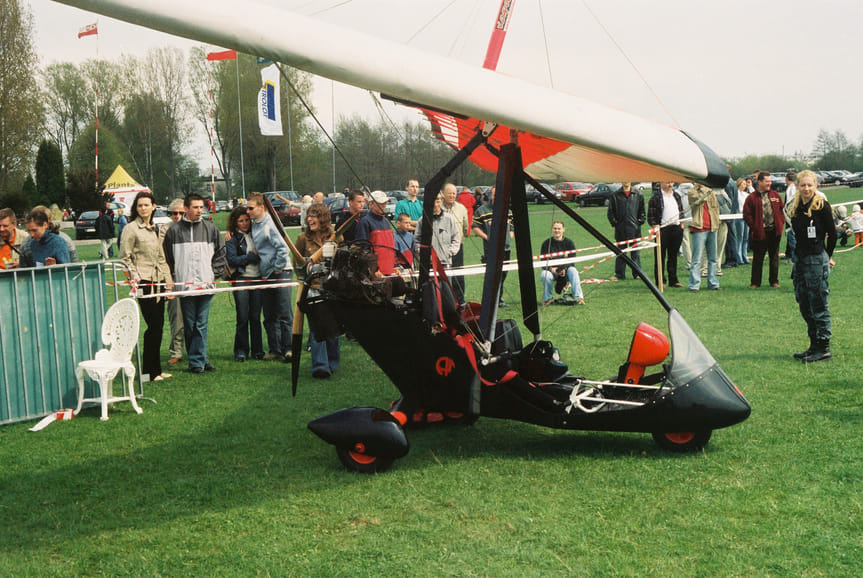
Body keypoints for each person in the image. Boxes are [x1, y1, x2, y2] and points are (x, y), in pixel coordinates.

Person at [163, 193, 226, 374]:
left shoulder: (211, 229)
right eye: (196, 207)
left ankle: (197, 361)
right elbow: (168, 258)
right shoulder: (174, 232)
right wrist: (176, 277)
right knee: (190, 325)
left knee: (201, 323)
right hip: (185, 287)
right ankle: (200, 359)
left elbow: (221, 254)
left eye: (201, 207)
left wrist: (213, 274)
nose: (200, 211)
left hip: (206, 286)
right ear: (186, 209)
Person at [120, 192, 174, 382]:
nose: (143, 208)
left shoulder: (155, 229)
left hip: (158, 280)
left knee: (158, 326)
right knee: (152, 326)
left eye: (146, 205)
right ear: (136, 208)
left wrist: (168, 283)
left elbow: (161, 258)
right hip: (144, 282)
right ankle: (147, 373)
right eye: (140, 205)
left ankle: (155, 371)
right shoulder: (131, 229)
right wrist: (135, 277)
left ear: (153, 206)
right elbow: (124, 258)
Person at [788, 170, 836, 363]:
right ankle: (813, 344)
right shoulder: (796, 207)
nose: (806, 189)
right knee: (804, 303)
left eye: (810, 185)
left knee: (818, 304)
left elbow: (833, 234)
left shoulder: (822, 206)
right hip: (800, 260)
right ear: (798, 186)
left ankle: (824, 347)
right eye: (803, 185)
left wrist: (827, 255)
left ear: (816, 186)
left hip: (816, 260)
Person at [245, 192, 294, 361]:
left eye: (251, 208)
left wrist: (278, 268)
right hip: (265, 274)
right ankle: (275, 350)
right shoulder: (254, 224)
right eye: (247, 208)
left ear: (261, 208)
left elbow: (283, 248)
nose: (248, 212)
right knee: (269, 315)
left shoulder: (270, 224)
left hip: (280, 273)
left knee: (284, 313)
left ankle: (288, 349)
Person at [293, 203, 340, 379]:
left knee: (334, 328)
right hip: (313, 289)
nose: (310, 219)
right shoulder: (302, 238)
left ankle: (333, 362)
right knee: (317, 329)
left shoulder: (335, 237)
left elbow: (342, 259)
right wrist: (306, 265)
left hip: (333, 289)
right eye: (309, 216)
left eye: (314, 215)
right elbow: (297, 267)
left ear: (324, 218)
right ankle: (320, 367)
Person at [225, 206, 264, 362]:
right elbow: (232, 259)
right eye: (240, 221)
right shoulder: (232, 238)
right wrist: (251, 257)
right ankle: (241, 350)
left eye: (246, 220)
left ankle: (257, 350)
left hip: (258, 278)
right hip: (241, 279)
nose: (244, 223)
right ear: (235, 222)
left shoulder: (257, 233)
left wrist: (254, 257)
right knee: (242, 317)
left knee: (255, 316)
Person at [472, 186, 513, 307]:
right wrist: (486, 237)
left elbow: (512, 226)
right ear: (491, 195)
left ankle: (499, 299)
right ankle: (490, 300)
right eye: (495, 194)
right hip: (490, 249)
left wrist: (510, 237)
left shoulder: (508, 211)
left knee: (503, 274)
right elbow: (475, 227)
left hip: (505, 249)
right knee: (492, 276)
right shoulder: (482, 210)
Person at [743, 171, 784, 288]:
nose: (769, 183)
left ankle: (774, 281)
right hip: (759, 233)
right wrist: (755, 227)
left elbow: (782, 210)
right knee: (758, 258)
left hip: (774, 232)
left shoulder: (775, 195)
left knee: (774, 258)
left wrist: (780, 222)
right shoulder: (751, 198)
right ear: (759, 182)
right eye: (767, 181)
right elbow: (747, 215)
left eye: (770, 181)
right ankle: (755, 282)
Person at [647, 181, 684, 288]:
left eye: (671, 182)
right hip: (662, 229)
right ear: (661, 183)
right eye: (667, 182)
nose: (670, 184)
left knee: (673, 256)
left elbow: (681, 211)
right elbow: (651, 217)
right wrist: (655, 227)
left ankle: (673, 280)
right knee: (660, 256)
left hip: (676, 228)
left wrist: (681, 225)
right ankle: (660, 281)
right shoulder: (656, 197)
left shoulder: (676, 196)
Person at [162, 199, 186, 366]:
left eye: (181, 213)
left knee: (194, 318)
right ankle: (176, 350)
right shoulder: (165, 229)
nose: (177, 216)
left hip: (192, 277)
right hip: (172, 277)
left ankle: (196, 350)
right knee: (176, 316)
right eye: (174, 213)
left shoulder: (194, 228)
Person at [607, 181, 645, 280]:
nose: (626, 181)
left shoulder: (638, 195)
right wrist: (616, 224)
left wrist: (638, 223)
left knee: (635, 253)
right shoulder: (615, 195)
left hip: (634, 230)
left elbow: (642, 212)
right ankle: (619, 274)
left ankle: (637, 274)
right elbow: (610, 212)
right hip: (620, 230)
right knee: (621, 253)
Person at [540, 220, 584, 305]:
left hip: (566, 270)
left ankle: (578, 297)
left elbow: (572, 260)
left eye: (559, 228)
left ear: (563, 229)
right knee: (544, 274)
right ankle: (548, 299)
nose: (557, 230)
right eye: (555, 228)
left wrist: (564, 268)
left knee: (573, 271)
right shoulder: (546, 244)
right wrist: (550, 269)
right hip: (551, 271)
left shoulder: (569, 243)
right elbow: (542, 261)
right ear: (552, 229)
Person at [687, 183, 720, 292]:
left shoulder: (710, 192)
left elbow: (716, 208)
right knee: (696, 259)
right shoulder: (692, 192)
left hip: (712, 227)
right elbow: (699, 199)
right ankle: (694, 285)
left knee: (713, 258)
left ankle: (713, 283)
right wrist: (705, 189)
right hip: (699, 228)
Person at [355, 190, 397, 276]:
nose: (384, 205)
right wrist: (374, 269)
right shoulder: (364, 222)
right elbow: (363, 250)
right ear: (371, 204)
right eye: (380, 203)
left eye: (385, 203)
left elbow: (392, 246)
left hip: (390, 270)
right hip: (375, 274)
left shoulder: (386, 222)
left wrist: (396, 265)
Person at [415, 194, 460, 268]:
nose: (435, 205)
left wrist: (449, 253)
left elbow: (456, 238)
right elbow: (417, 240)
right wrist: (423, 252)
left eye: (438, 202)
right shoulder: (422, 221)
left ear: (442, 201)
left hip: (445, 263)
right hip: (428, 264)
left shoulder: (449, 219)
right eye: (433, 202)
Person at [442, 183, 469, 302]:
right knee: (444, 275)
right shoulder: (438, 207)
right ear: (444, 194)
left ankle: (460, 299)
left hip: (457, 247)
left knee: (459, 274)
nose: (452, 195)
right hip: (442, 248)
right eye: (449, 193)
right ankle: (446, 300)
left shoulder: (461, 208)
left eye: (454, 193)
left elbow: (465, 226)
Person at [783, 171, 798, 262]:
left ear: (787, 179)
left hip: (791, 215)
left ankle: (793, 258)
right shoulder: (791, 187)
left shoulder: (791, 189)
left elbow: (790, 202)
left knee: (791, 235)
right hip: (790, 214)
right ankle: (789, 254)